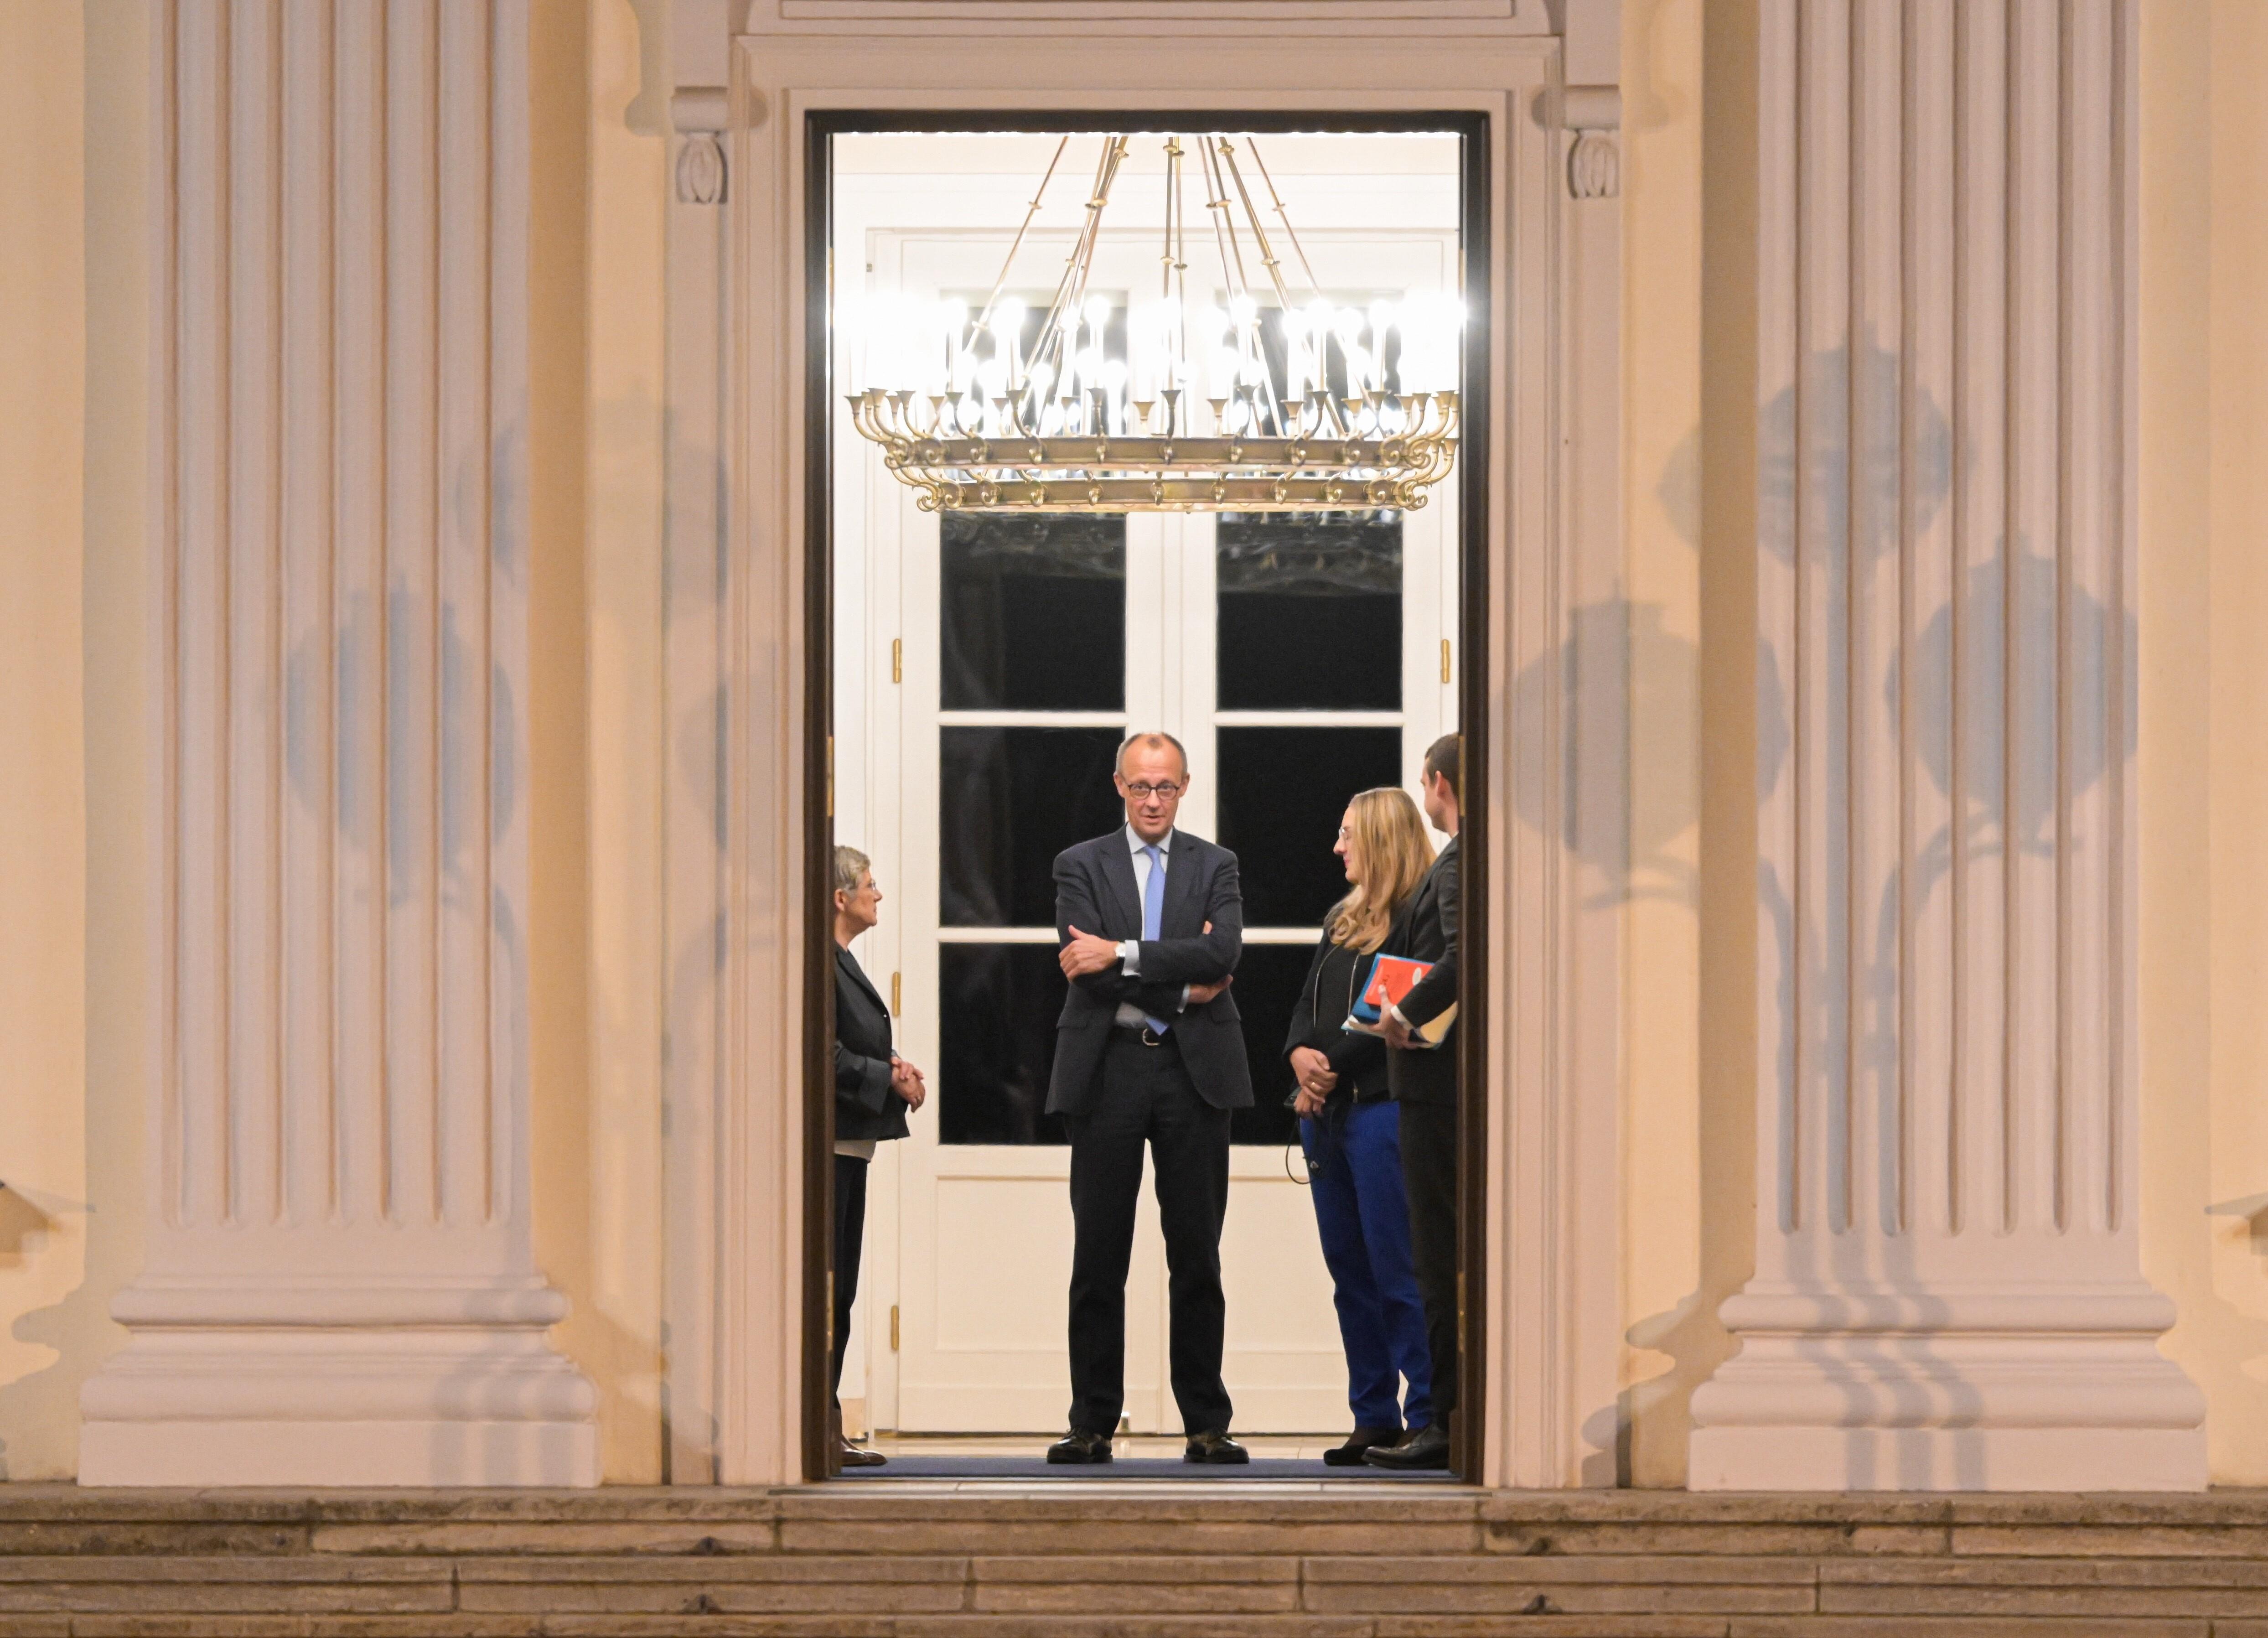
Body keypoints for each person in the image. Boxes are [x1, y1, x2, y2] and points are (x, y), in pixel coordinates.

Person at [1046, 732, 1252, 1465]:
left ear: (1186, 787)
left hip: (1194, 1074)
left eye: (1165, 787)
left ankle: (1206, 1422)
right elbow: (1084, 969)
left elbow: (1222, 952)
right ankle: (1092, 1423)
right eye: (1140, 787)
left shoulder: (1215, 863)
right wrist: (1181, 981)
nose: (1153, 800)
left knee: (1196, 1254)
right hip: (1107, 1070)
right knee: (1099, 1255)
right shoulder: (1079, 863)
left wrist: (1125, 952)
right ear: (1118, 786)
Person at [1284, 787, 1438, 1465]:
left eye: (1348, 835)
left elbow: (1391, 1012)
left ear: (1379, 841)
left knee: (1397, 1270)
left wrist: (1330, 1069)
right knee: (1349, 1272)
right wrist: (1298, 1057)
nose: (1337, 847)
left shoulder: (1415, 918)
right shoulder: (1341, 918)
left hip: (1381, 1112)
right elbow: (1304, 1004)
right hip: (1327, 1120)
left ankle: (1429, 1414)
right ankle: (1371, 1414)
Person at [1365, 733, 1462, 1472]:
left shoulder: (1459, 863)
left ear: (1437, 784)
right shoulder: (1470, 862)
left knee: (1435, 1254)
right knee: (1433, 1252)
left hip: (1433, 1083)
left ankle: (1442, 1419)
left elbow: (1458, 956)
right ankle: (1444, 1415)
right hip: (1437, 1081)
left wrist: (1401, 1014)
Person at [829, 845, 925, 1469]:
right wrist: (885, 1077)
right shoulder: (819, 962)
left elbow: (846, 1044)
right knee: (830, 1291)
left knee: (841, 1292)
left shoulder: (838, 963)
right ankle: (819, 1427)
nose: (879, 894)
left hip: (850, 1144)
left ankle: (824, 1426)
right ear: (840, 898)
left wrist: (889, 1067)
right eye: (869, 884)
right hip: (827, 1148)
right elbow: (820, 1051)